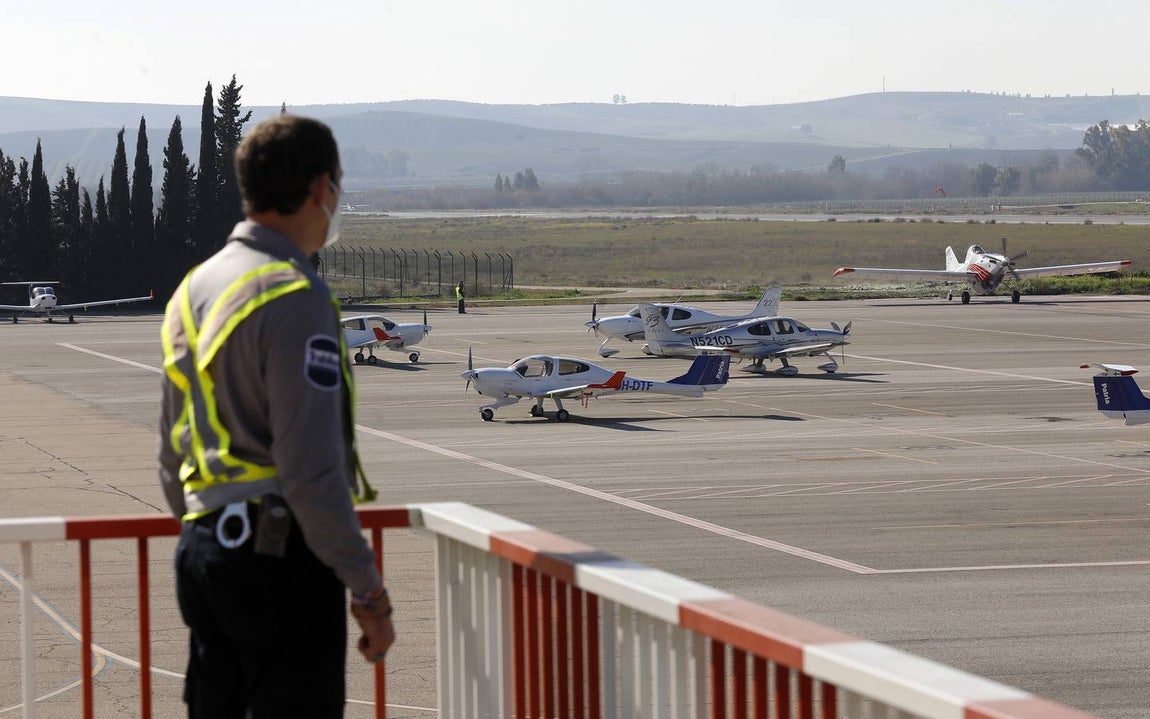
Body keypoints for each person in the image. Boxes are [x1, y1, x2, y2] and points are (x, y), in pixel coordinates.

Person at [158, 114, 395, 718]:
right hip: (279, 563)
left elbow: (172, 454)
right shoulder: (294, 293)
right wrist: (368, 590)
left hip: (205, 553)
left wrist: (210, 534)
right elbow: (310, 472)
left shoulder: (194, 289)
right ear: (321, 189)